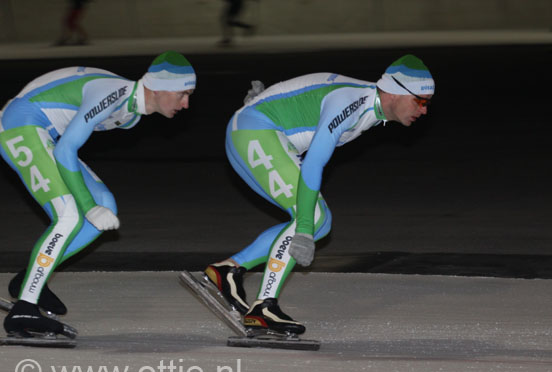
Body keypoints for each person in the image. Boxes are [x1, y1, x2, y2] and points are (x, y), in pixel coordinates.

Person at [203, 54, 434, 335]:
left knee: (321, 223)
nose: (423, 111)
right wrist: (302, 229)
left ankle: (231, 270)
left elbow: (311, 92)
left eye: (427, 103)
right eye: (420, 101)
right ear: (395, 92)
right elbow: (314, 161)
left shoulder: (367, 105)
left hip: (255, 130)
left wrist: (265, 101)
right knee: (311, 217)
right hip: (255, 132)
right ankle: (264, 306)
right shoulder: (352, 102)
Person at [1, 51, 195, 338]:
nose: (186, 104)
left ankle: (30, 280)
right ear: (156, 87)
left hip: (44, 132)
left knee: (106, 204)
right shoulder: (114, 94)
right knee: (69, 214)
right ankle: (25, 310)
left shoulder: (130, 114)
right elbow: (67, 149)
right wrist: (87, 206)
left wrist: (94, 205)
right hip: (20, 126)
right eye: (183, 94)